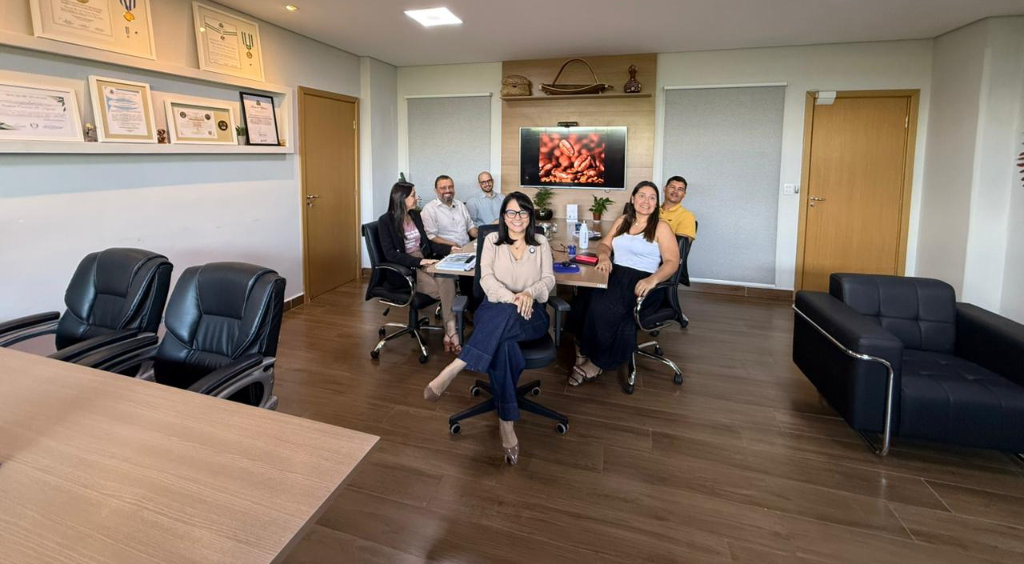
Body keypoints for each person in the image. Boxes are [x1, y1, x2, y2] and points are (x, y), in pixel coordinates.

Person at [423, 192, 555, 466]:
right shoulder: (492, 241)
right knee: (504, 344)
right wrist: (513, 298)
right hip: (495, 309)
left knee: (502, 336)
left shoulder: (541, 242)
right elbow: (487, 280)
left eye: (523, 212)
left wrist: (529, 293)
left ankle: (456, 366)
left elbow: (548, 279)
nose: (517, 218)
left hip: (532, 314)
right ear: (503, 216)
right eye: (511, 212)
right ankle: (506, 423)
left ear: (530, 216)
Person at [570, 181, 680, 385]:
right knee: (581, 299)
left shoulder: (661, 227)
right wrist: (604, 257)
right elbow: (604, 244)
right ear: (633, 198)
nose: (646, 201)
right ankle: (582, 351)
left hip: (644, 280)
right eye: (642, 196)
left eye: (652, 197)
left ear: (656, 203)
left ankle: (597, 361)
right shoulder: (623, 221)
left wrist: (652, 279)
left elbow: (672, 262)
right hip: (616, 273)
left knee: (603, 307)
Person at [376, 181, 462, 353]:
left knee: (447, 279)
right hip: (406, 269)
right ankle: (451, 331)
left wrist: (449, 249)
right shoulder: (385, 221)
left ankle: (450, 330)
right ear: (401, 198)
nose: (417, 198)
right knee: (446, 290)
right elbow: (390, 254)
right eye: (413, 195)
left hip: (424, 261)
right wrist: (419, 262)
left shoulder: (415, 215)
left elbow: (427, 244)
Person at [421, 175, 478, 249]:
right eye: (443, 188)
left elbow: (470, 228)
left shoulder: (460, 204)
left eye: (451, 187)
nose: (448, 190)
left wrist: (485, 234)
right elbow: (431, 236)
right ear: (436, 190)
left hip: (468, 248)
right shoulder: (429, 209)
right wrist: (453, 244)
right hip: (447, 251)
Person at [660, 176, 697, 240]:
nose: (675, 191)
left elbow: (680, 245)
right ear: (664, 189)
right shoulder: (652, 210)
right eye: (672, 187)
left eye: (680, 189)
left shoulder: (687, 216)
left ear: (684, 194)